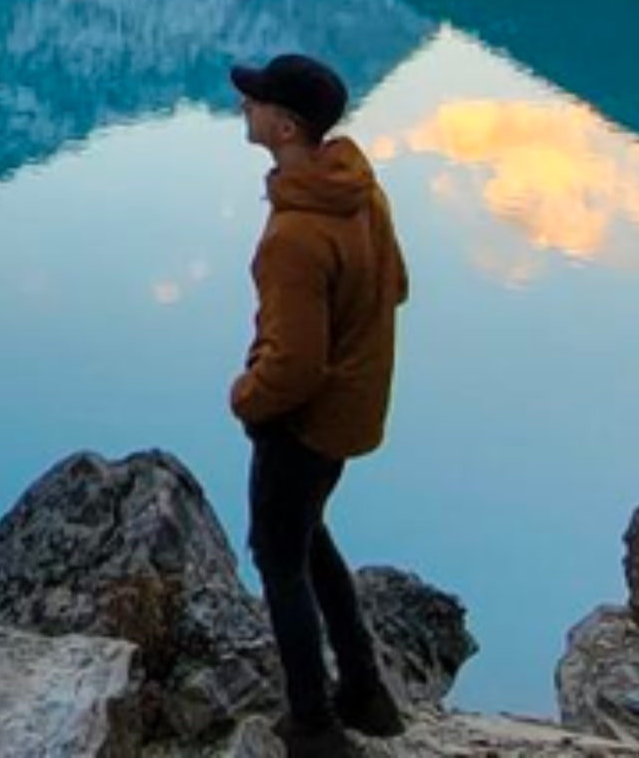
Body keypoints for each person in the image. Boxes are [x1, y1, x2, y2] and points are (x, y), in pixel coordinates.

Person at [227, 53, 412, 757]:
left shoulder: (295, 235)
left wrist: (247, 397)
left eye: (255, 102)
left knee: (278, 557)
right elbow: (394, 285)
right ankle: (365, 689)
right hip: (352, 412)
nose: (244, 108)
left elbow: (294, 364)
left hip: (300, 421)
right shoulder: (362, 193)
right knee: (307, 534)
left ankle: (313, 724)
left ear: (284, 124)